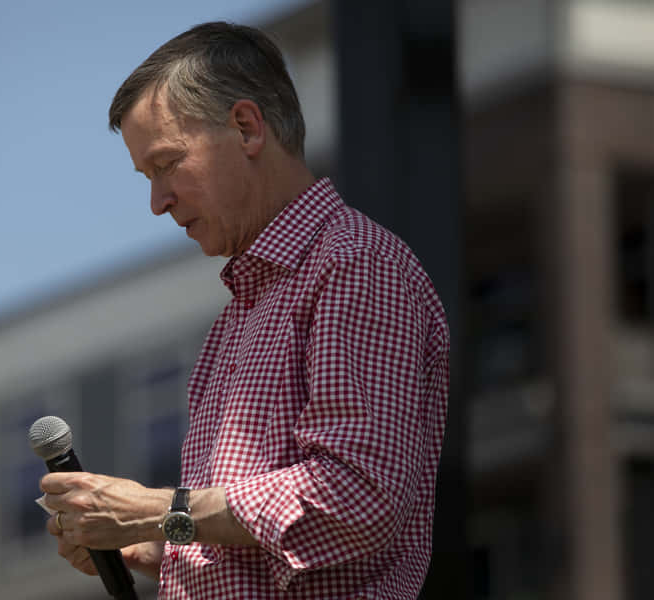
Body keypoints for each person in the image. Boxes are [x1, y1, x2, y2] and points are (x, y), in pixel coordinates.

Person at [39, 21, 449, 599]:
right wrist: (145, 544)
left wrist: (159, 511)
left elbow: (357, 497)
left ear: (246, 127)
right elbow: (259, 537)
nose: (157, 202)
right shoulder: (242, 314)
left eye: (165, 164)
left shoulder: (356, 264)